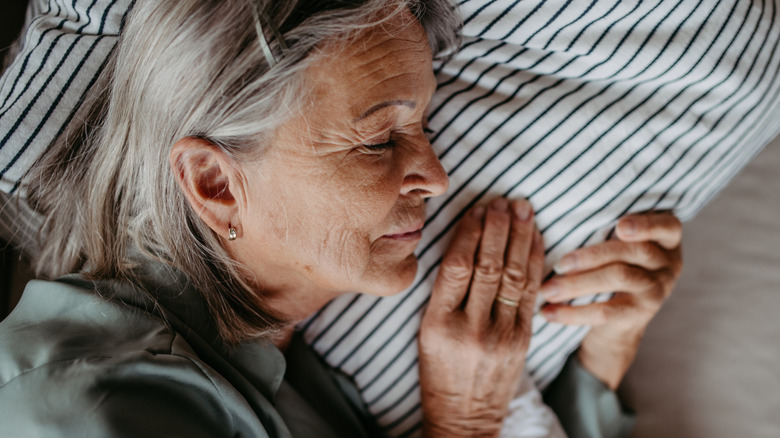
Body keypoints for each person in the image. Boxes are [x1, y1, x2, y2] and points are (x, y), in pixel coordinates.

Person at [1, 0, 764, 436]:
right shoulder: (86, 410)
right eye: (379, 140)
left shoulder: (278, 362)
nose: (433, 176)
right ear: (216, 182)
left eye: (424, 127)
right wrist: (463, 423)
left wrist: (603, 352)